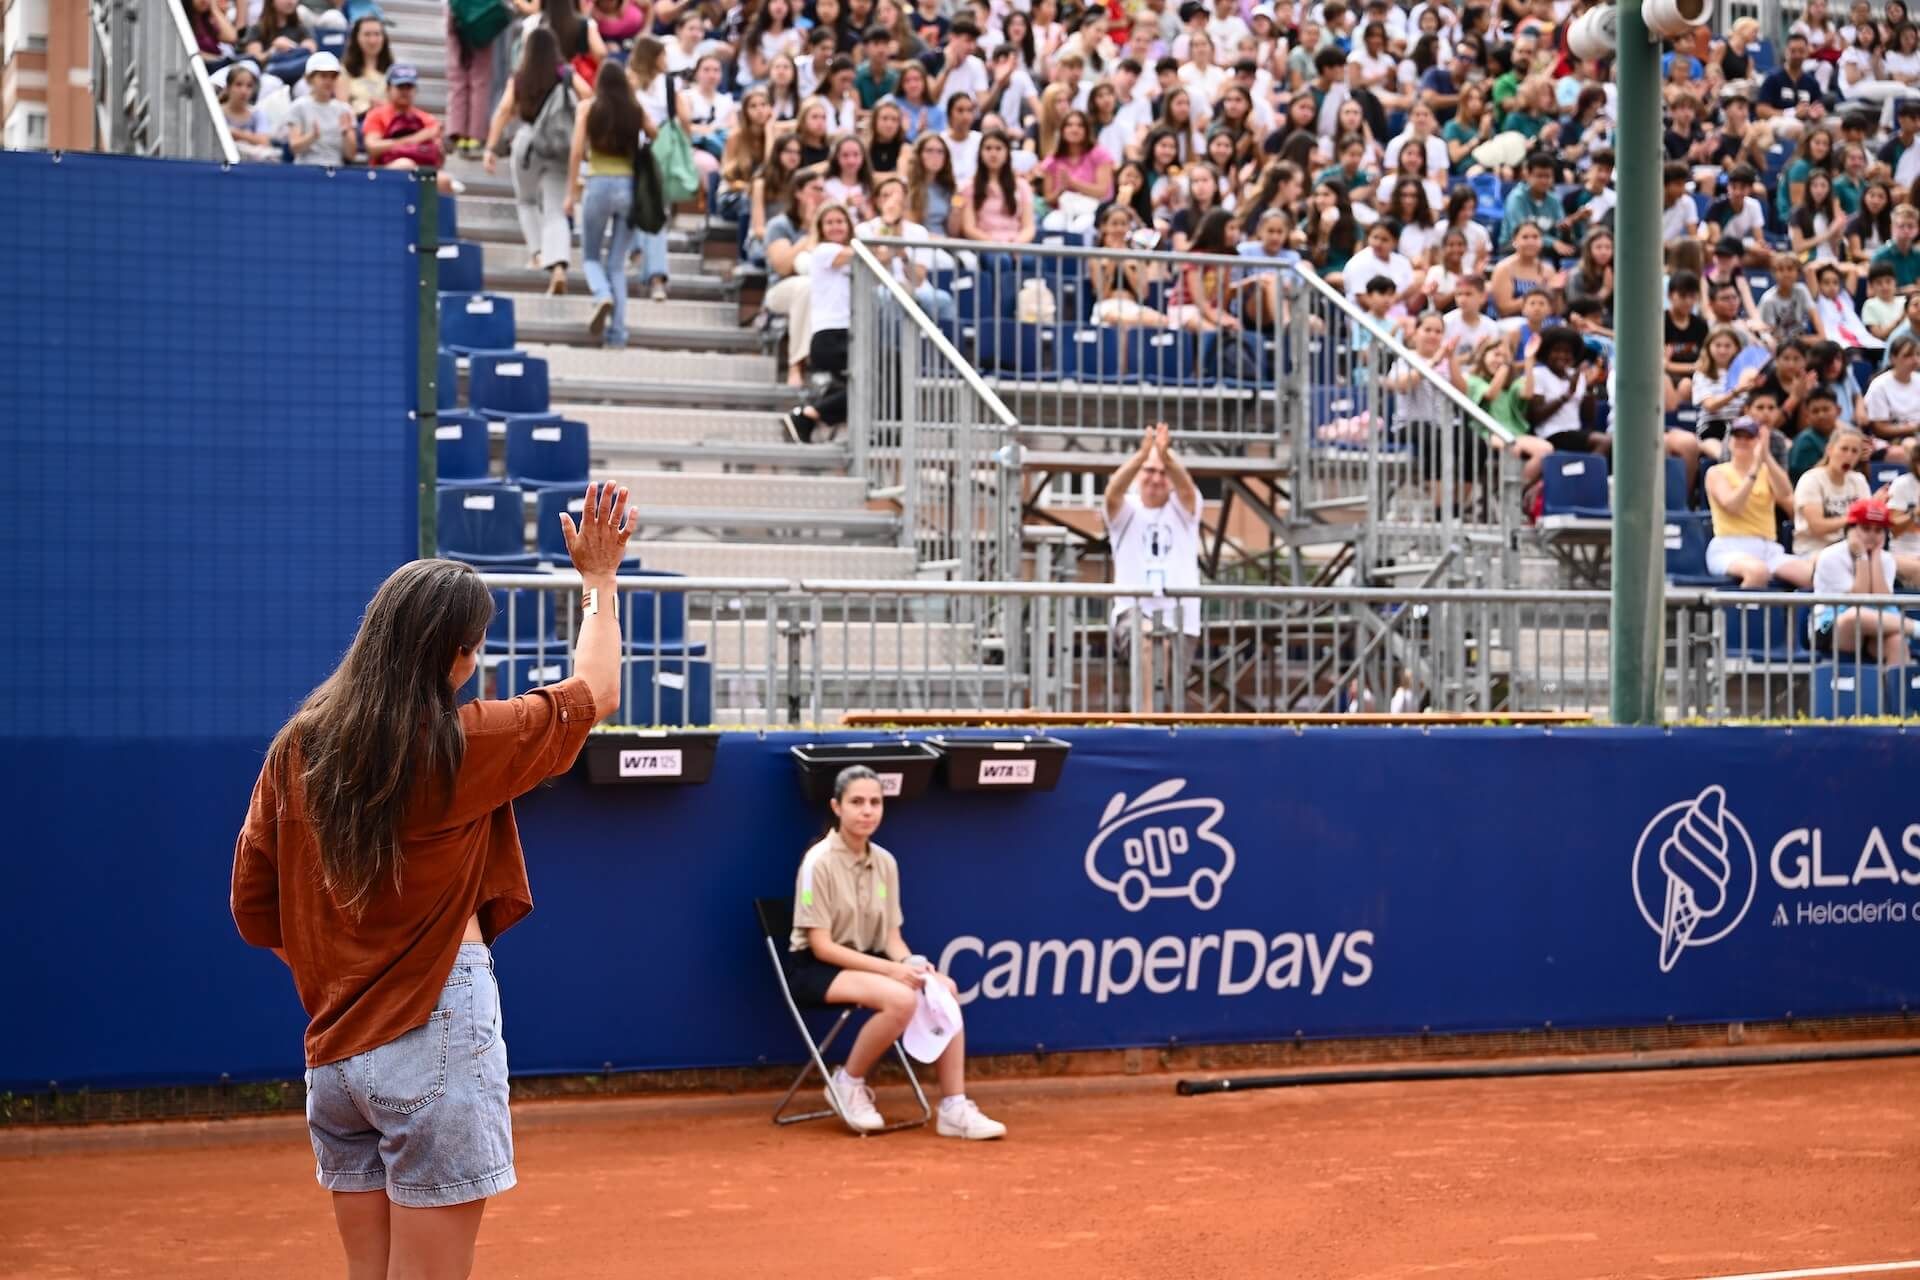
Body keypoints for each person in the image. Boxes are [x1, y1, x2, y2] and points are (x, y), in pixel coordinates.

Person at [231, 483, 633, 1279]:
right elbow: (600, 694)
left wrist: (342, 975)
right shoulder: (460, 743)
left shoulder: (296, 748)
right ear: (455, 652)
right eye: (475, 644)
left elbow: (255, 908)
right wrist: (599, 580)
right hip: (436, 1028)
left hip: (336, 1053)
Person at [785, 766, 1006, 1140]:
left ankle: (953, 1107)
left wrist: (911, 964)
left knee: (944, 989)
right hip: (817, 968)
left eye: (875, 802)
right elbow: (822, 946)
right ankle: (847, 1082)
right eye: (856, 802)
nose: (867, 811)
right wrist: (892, 973)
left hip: (872, 961)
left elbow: (891, 939)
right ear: (836, 807)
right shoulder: (817, 863)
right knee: (902, 999)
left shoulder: (886, 863)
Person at [1102, 423, 1201, 713]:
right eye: (1149, 471)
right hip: (1133, 612)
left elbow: (1186, 488)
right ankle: (1145, 723)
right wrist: (1142, 455)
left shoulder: (1183, 510)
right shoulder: (1127, 511)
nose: (1156, 479)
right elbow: (1112, 492)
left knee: (1172, 697)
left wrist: (1165, 455)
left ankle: (1164, 734)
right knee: (1147, 638)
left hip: (1182, 619)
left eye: (1162, 473)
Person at [567, 59, 656, 349]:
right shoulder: (636, 111)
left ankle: (601, 293)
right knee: (616, 264)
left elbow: (577, 151)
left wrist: (571, 192)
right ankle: (617, 335)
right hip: (629, 187)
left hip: (598, 183)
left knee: (591, 257)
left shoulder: (588, 108)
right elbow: (657, 134)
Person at [486, 29, 576, 295]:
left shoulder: (521, 77)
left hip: (528, 143)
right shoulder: (566, 74)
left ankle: (537, 253)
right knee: (555, 210)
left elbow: (503, 111)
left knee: (526, 201)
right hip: (559, 145)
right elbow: (587, 98)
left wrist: (491, 147)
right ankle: (558, 263)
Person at [1704, 417, 1815, 588]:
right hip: (1729, 546)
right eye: (1737, 436)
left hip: (1768, 547)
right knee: (1757, 572)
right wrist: (1754, 470)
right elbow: (1733, 506)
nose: (1742, 441)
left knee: (1809, 574)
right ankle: (1738, 615)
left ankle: (1799, 616)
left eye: (1749, 437)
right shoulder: (1716, 472)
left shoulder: (1766, 471)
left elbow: (1786, 493)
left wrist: (1766, 456)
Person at [784, 201, 858, 443]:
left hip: (848, 332)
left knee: (875, 380)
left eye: (840, 221)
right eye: (829, 222)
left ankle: (812, 414)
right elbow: (859, 254)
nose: (835, 226)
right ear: (821, 228)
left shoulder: (851, 257)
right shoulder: (824, 251)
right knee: (871, 382)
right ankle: (809, 413)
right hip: (829, 334)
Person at [1811, 499, 1910, 664]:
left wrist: (1876, 556)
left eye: (1879, 530)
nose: (1872, 535)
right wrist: (1861, 556)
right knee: (1853, 617)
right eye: (1865, 528)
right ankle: (1915, 628)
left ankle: (1895, 690)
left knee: (1896, 642)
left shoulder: (1886, 559)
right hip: (1833, 627)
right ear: (1850, 530)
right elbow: (1858, 599)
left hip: (1876, 626)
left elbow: (1882, 600)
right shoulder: (1830, 556)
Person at [1794, 425, 1874, 556]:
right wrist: (1856, 516)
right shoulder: (1811, 480)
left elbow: (1867, 525)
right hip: (1814, 550)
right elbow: (1817, 527)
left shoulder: (1859, 480)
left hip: (1852, 548)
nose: (1849, 456)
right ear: (1830, 449)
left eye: (1855, 451)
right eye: (1844, 449)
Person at [285, 53, 358, 168]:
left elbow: (351, 155)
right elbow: (294, 148)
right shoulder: (298, 106)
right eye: (323, 76)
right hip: (305, 171)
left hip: (336, 173)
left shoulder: (345, 110)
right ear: (310, 79)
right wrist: (312, 137)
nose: (329, 81)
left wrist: (346, 133)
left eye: (333, 76)